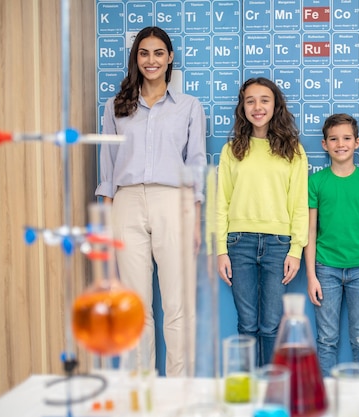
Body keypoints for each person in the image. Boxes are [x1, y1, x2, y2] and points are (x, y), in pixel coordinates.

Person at [95, 26, 207, 376]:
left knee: (177, 305)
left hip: (173, 202)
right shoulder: (115, 106)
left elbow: (197, 164)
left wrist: (195, 219)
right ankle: (140, 392)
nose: (151, 60)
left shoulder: (189, 107)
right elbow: (107, 168)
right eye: (144, 53)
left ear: (170, 58)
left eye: (159, 53)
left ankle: (178, 393)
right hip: (126, 203)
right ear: (136, 58)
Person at [216, 77, 308, 366]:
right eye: (250, 100)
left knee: (270, 326)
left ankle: (271, 387)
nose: (257, 106)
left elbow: (299, 205)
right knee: (247, 326)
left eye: (264, 100)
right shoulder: (231, 151)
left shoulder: (293, 150)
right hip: (238, 243)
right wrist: (220, 249)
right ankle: (248, 390)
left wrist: (296, 249)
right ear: (242, 107)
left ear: (275, 105)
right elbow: (221, 202)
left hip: (279, 245)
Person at [304, 113, 359, 377]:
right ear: (324, 144)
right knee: (326, 339)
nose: (340, 144)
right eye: (333, 139)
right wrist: (311, 276)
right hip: (326, 270)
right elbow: (310, 231)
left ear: (357, 142)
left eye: (347, 138)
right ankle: (325, 395)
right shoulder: (316, 182)